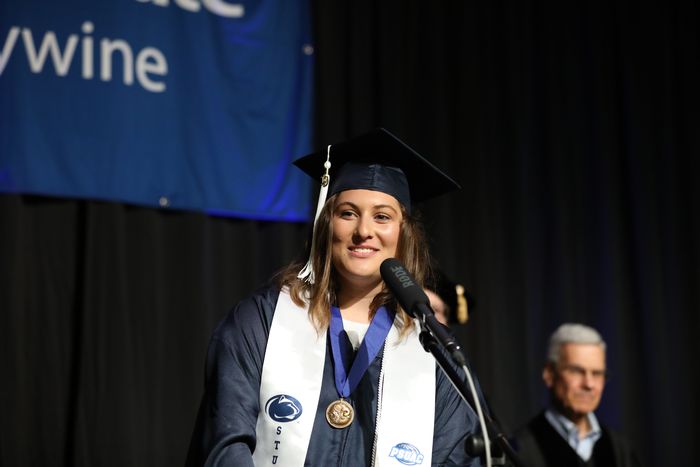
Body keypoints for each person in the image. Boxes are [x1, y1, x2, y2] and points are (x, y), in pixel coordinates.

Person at [186, 128, 488, 466]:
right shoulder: (263, 321)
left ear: (404, 235)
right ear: (326, 224)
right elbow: (224, 447)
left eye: (382, 217)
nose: (363, 231)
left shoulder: (433, 354)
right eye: (348, 213)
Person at [512, 323, 640, 467]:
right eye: (577, 371)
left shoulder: (619, 449)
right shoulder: (521, 450)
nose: (589, 384)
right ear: (549, 374)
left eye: (597, 373)